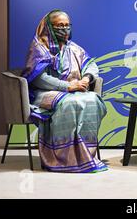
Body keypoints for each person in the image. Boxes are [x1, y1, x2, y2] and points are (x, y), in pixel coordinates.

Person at [22, 9, 108, 173]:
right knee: (70, 102)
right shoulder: (39, 48)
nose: (65, 29)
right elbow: (39, 79)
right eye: (60, 25)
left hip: (75, 89)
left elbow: (91, 65)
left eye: (67, 25)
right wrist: (67, 87)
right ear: (49, 27)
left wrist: (86, 79)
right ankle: (63, 158)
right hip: (46, 93)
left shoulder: (74, 48)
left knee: (92, 100)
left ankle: (86, 156)